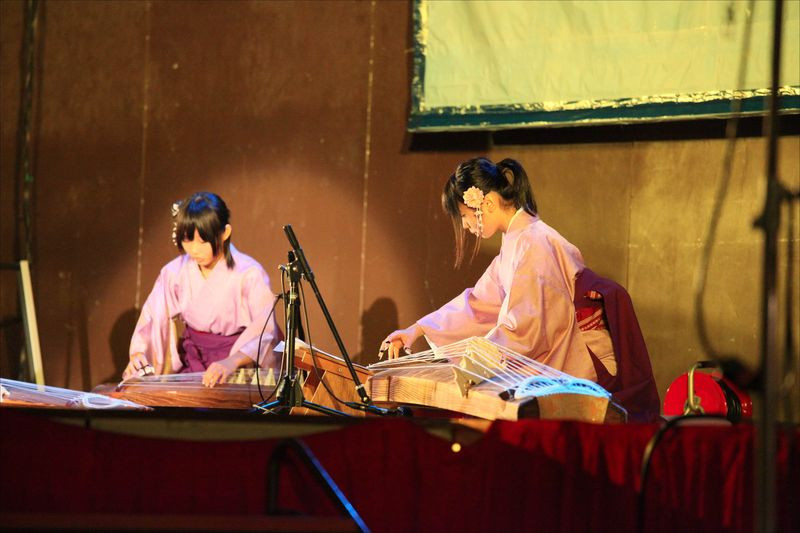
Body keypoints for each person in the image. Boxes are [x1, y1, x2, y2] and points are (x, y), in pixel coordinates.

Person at [380, 157, 659, 419]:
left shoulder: (534, 242)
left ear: (487, 203)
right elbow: (478, 304)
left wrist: (477, 361)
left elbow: (527, 326)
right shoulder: (516, 241)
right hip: (557, 347)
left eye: (465, 216)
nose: (465, 226)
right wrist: (416, 329)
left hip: (579, 357)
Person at [123, 192, 283, 388]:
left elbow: (265, 331)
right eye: (187, 240)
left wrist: (231, 362)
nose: (194, 250)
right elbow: (152, 318)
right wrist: (140, 356)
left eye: (202, 241)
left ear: (224, 233)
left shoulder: (249, 274)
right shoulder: (174, 273)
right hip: (193, 363)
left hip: (237, 367)